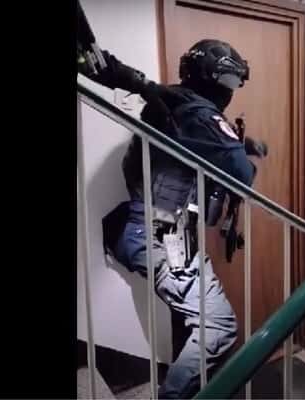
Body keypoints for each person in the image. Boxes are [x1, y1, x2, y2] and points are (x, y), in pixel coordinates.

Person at [85, 37, 265, 399]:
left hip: (161, 232)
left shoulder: (175, 104)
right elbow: (241, 175)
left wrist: (239, 143)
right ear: (208, 77)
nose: (231, 89)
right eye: (229, 80)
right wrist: (239, 151)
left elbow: (187, 145)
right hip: (160, 237)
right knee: (218, 326)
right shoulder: (198, 113)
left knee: (195, 324)